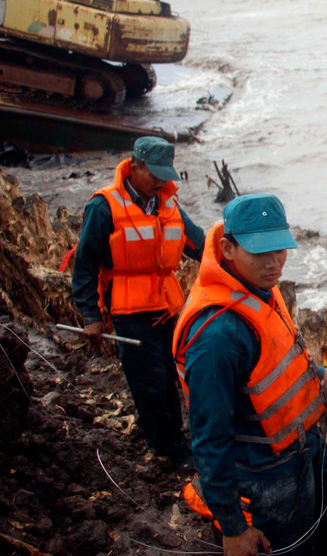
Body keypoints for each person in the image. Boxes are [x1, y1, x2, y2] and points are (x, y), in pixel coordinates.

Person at [172, 194, 327, 556]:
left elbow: (271, 362)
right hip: (264, 471)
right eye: (261, 252)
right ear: (227, 248)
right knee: (288, 545)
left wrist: (319, 375)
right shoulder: (217, 337)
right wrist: (233, 527)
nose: (275, 263)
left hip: (303, 441)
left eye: (281, 249)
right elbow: (210, 440)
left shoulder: (257, 285)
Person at [71, 136, 204, 466]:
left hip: (168, 307)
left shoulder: (168, 204)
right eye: (153, 174)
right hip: (131, 311)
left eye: (165, 175)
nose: (160, 182)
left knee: (173, 377)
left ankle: (175, 437)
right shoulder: (104, 207)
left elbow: (198, 244)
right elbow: (85, 264)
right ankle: (168, 449)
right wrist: (91, 316)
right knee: (150, 383)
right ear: (134, 167)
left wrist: (234, 259)